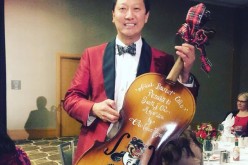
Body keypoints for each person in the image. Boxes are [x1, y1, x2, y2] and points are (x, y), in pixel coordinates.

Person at [63, 0, 199, 164]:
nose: (129, 15)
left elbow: (181, 107)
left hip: (143, 151)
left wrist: (185, 74)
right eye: (122, 8)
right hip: (97, 148)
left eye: (136, 9)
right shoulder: (91, 54)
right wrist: (94, 108)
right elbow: (71, 99)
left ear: (146, 16)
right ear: (113, 15)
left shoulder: (163, 60)